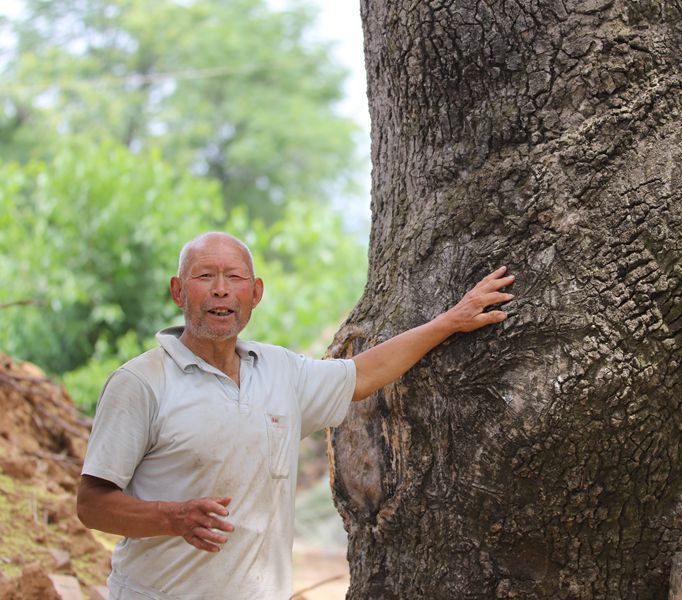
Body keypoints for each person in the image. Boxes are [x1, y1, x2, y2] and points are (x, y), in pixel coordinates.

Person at [76, 231, 515, 599]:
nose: (221, 289)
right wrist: (173, 518)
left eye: (235, 277)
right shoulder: (140, 383)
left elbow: (362, 374)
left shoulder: (280, 371)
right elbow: (91, 504)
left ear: (256, 293)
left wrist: (451, 322)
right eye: (204, 277)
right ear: (177, 291)